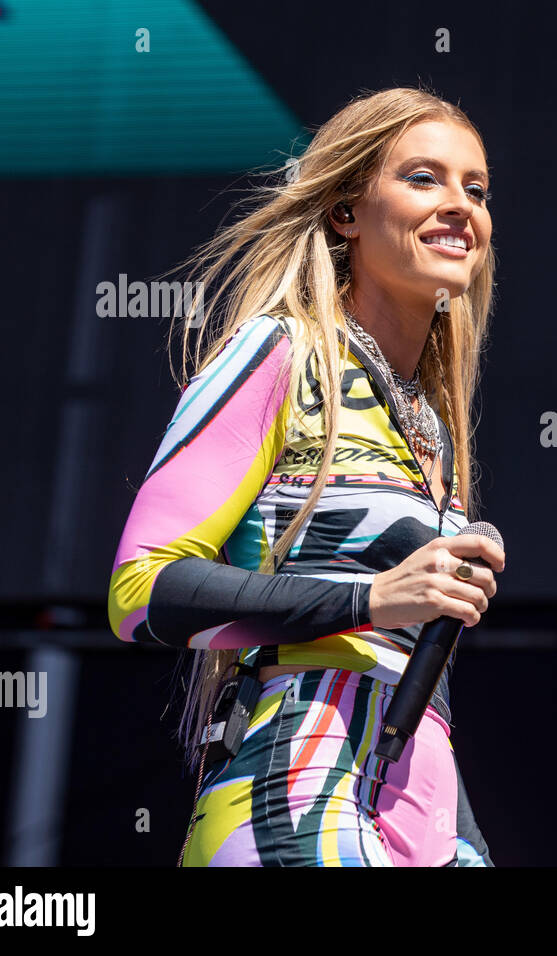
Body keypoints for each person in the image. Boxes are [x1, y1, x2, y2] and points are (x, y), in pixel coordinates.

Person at [106, 87, 504, 866]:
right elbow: (139, 594)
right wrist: (375, 596)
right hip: (294, 787)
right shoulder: (279, 353)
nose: (461, 206)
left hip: (416, 804)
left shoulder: (434, 426)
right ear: (345, 214)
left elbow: (414, 685)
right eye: (425, 178)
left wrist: (462, 841)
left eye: (477, 189)